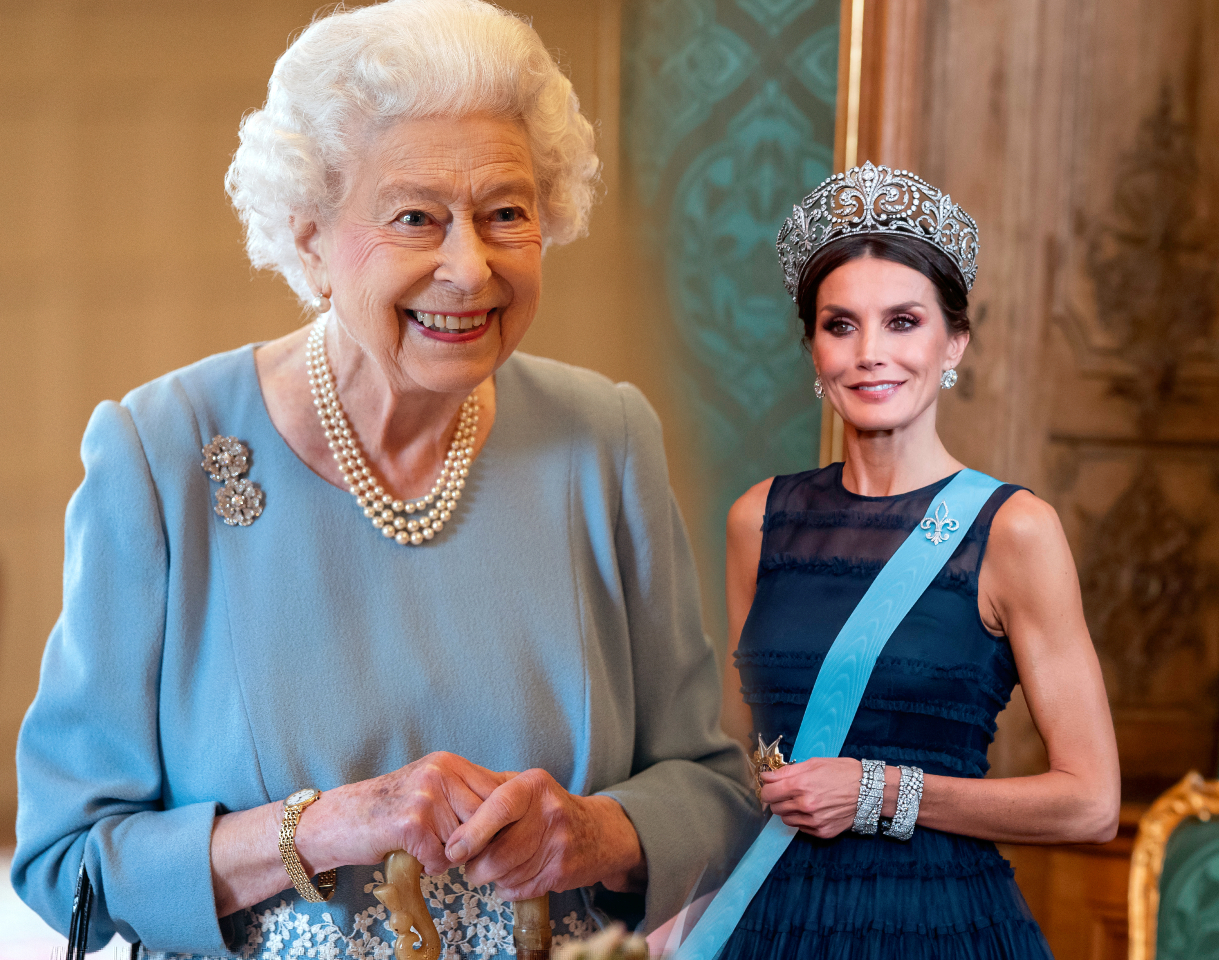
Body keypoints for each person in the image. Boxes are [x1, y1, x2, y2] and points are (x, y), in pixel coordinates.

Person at [9, 1, 753, 955]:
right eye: (416, 218)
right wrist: (321, 828)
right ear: (309, 235)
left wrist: (597, 833)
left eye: (506, 214)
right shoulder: (160, 453)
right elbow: (64, 860)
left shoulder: (605, 438)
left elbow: (713, 790)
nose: (469, 266)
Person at [707, 163, 1121, 958]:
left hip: (937, 921)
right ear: (813, 348)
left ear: (953, 340)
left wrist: (877, 791)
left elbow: (1092, 804)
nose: (870, 353)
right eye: (841, 325)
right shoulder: (757, 519)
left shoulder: (1014, 530)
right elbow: (741, 768)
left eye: (902, 322)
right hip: (770, 923)